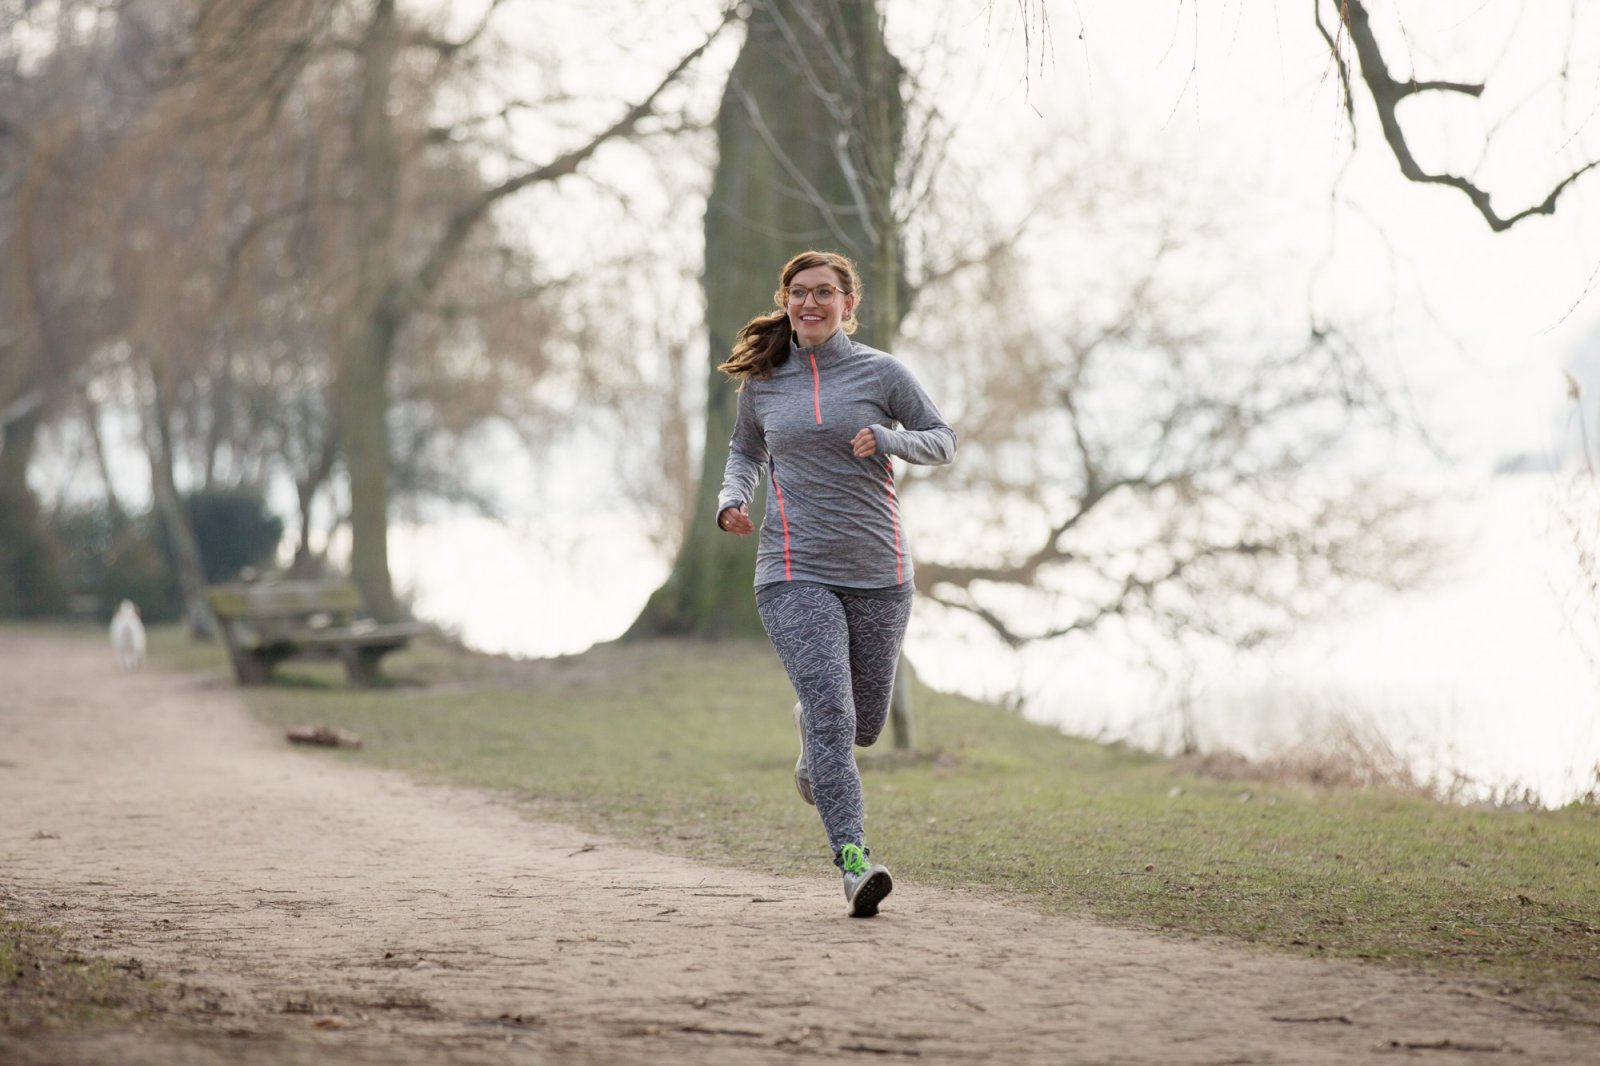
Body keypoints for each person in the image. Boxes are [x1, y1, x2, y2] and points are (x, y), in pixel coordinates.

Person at [715, 249, 957, 917]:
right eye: (799, 292)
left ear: (849, 305)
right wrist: (732, 498)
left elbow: (943, 439)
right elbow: (745, 449)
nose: (810, 303)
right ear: (786, 300)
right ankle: (854, 863)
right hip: (792, 571)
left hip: (880, 575)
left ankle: (813, 741)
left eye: (824, 292)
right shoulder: (764, 382)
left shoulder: (883, 373)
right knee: (835, 714)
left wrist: (888, 438)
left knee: (864, 727)